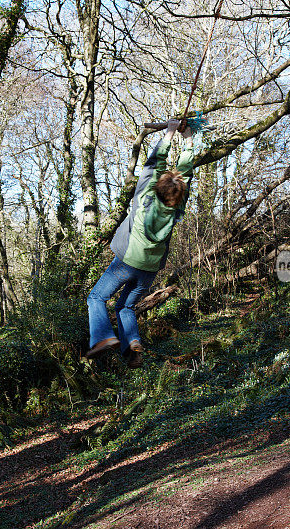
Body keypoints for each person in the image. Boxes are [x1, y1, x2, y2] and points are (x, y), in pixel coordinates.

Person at [86, 118, 196, 368]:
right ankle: (132, 344)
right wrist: (188, 139)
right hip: (149, 268)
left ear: (158, 185)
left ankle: (103, 338)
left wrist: (169, 134)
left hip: (126, 261)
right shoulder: (178, 204)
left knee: (96, 298)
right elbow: (185, 173)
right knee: (125, 306)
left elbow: (154, 162)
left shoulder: (145, 194)